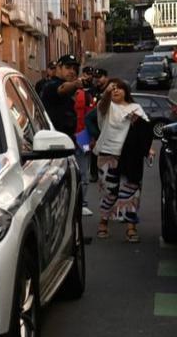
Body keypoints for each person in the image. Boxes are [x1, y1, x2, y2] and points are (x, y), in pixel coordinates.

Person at [94, 79, 154, 243]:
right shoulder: (106, 106)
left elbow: (144, 131)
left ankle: (130, 228)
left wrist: (148, 148)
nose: (116, 90)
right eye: (113, 88)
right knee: (109, 191)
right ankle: (103, 222)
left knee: (131, 192)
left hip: (131, 156)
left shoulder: (136, 108)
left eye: (119, 87)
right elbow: (103, 104)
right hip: (108, 154)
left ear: (126, 91)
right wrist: (106, 93)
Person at [40, 55, 90, 208]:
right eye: (68, 67)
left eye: (74, 68)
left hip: (78, 137)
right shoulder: (52, 86)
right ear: (58, 68)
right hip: (56, 146)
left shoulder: (76, 90)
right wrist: (76, 84)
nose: (72, 71)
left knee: (82, 174)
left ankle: (81, 204)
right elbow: (61, 90)